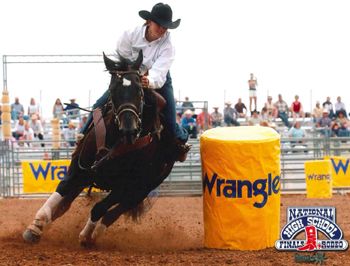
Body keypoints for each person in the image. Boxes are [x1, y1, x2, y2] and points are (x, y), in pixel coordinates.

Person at [79, 3, 189, 160]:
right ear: (149, 22)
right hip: (129, 76)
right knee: (99, 105)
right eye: (159, 25)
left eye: (166, 27)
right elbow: (122, 57)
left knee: (170, 120)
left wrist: (149, 80)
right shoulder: (130, 35)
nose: (162, 30)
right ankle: (82, 136)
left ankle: (181, 140)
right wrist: (134, 75)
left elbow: (160, 71)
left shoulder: (168, 45)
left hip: (157, 77)